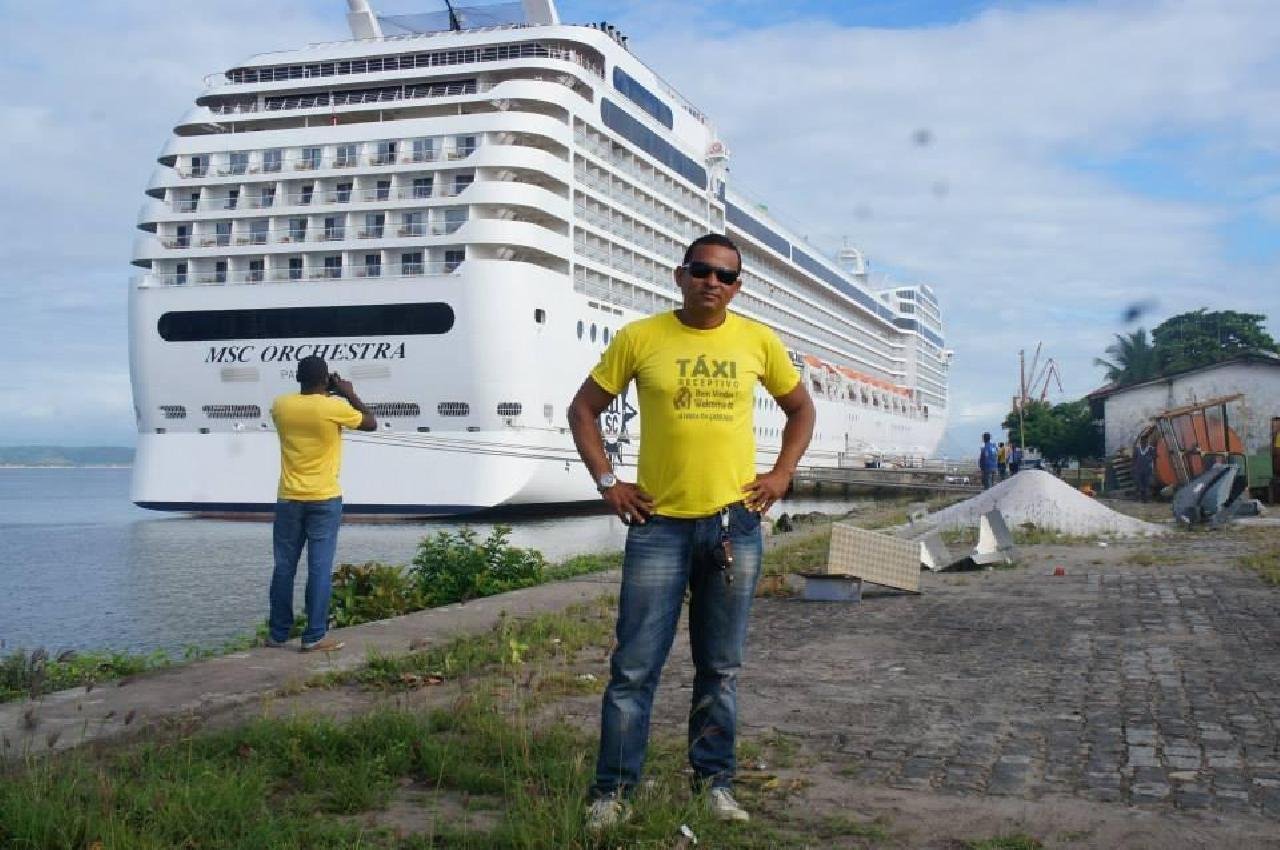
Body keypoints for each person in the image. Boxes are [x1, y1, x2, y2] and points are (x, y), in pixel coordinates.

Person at [568, 233, 816, 830]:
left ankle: (714, 783)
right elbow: (583, 410)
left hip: (735, 524)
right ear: (680, 276)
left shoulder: (758, 340)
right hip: (658, 526)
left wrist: (782, 473)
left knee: (721, 667)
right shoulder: (640, 338)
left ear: (737, 287)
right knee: (633, 667)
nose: (713, 282)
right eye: (702, 271)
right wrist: (609, 482)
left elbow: (801, 408)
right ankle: (614, 791)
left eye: (726, 276)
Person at [266, 355, 376, 652]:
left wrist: (326, 390)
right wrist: (348, 391)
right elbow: (371, 422)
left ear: (298, 378)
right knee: (319, 567)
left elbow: (304, 406)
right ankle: (314, 635)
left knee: (284, 567)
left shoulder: (281, 405)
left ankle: (277, 633)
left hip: (288, 497)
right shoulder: (334, 407)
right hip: (324, 498)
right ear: (326, 379)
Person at [1132, 434, 1155, 502]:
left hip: (1147, 470)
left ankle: (1145, 499)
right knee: (1139, 484)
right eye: (1143, 441)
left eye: (1145, 441)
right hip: (1139, 469)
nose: (1144, 442)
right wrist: (1133, 468)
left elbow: (1154, 456)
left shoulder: (1150, 449)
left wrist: (1149, 459)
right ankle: (1139, 498)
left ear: (1147, 442)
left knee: (1146, 484)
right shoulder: (1137, 449)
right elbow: (1134, 459)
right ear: (1141, 441)